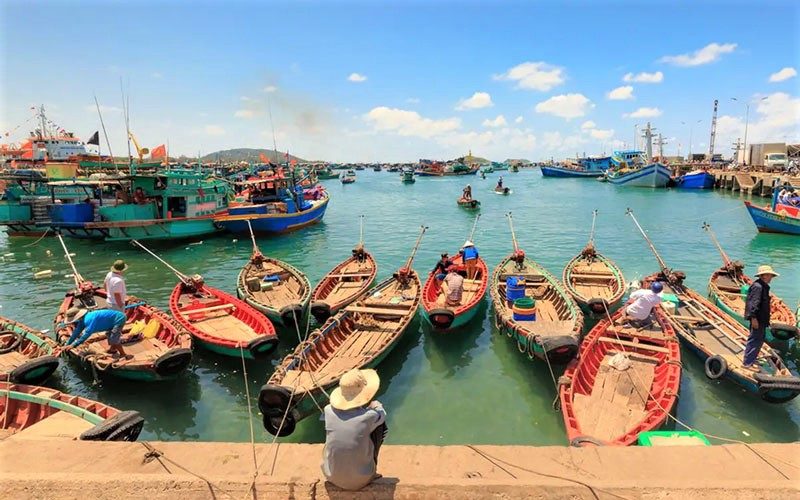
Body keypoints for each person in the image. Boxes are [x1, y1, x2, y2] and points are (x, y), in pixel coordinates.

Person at [322, 368, 387, 491]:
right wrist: (376, 405)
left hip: (331, 476)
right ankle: (372, 471)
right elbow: (382, 414)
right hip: (362, 480)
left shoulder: (327, 410)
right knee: (380, 426)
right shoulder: (369, 416)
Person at [55, 307, 131, 359]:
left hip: (119, 319)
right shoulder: (82, 321)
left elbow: (87, 334)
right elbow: (76, 332)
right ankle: (113, 349)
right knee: (109, 334)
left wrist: (74, 345)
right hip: (111, 321)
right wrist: (68, 344)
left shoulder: (89, 319)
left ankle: (123, 354)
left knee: (114, 337)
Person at [743, 265, 778, 371]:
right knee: (754, 339)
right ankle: (747, 363)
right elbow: (753, 304)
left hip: (761, 319)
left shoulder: (763, 286)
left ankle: (752, 359)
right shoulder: (758, 287)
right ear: (764, 276)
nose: (771, 277)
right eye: (770, 275)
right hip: (757, 319)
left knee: (759, 339)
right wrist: (753, 318)